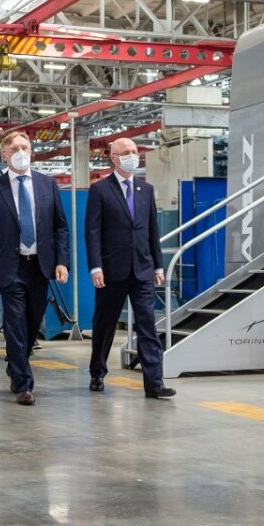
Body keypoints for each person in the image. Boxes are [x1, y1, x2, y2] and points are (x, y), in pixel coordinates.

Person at [0, 130, 69, 406]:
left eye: (24, 147)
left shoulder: (47, 184)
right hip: (10, 268)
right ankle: (23, 384)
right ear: (3, 154)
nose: (20, 152)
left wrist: (62, 261)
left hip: (39, 266)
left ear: (31, 151)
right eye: (14, 148)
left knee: (31, 323)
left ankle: (17, 362)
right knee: (15, 324)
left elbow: (60, 227)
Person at [86, 138, 176, 399]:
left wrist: (158, 265)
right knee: (105, 324)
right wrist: (95, 266)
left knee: (147, 325)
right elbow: (92, 231)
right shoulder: (100, 190)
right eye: (126, 152)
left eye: (135, 151)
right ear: (113, 157)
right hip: (111, 270)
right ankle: (97, 372)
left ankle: (154, 383)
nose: (132, 156)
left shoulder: (145, 189)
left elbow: (152, 230)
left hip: (142, 269)